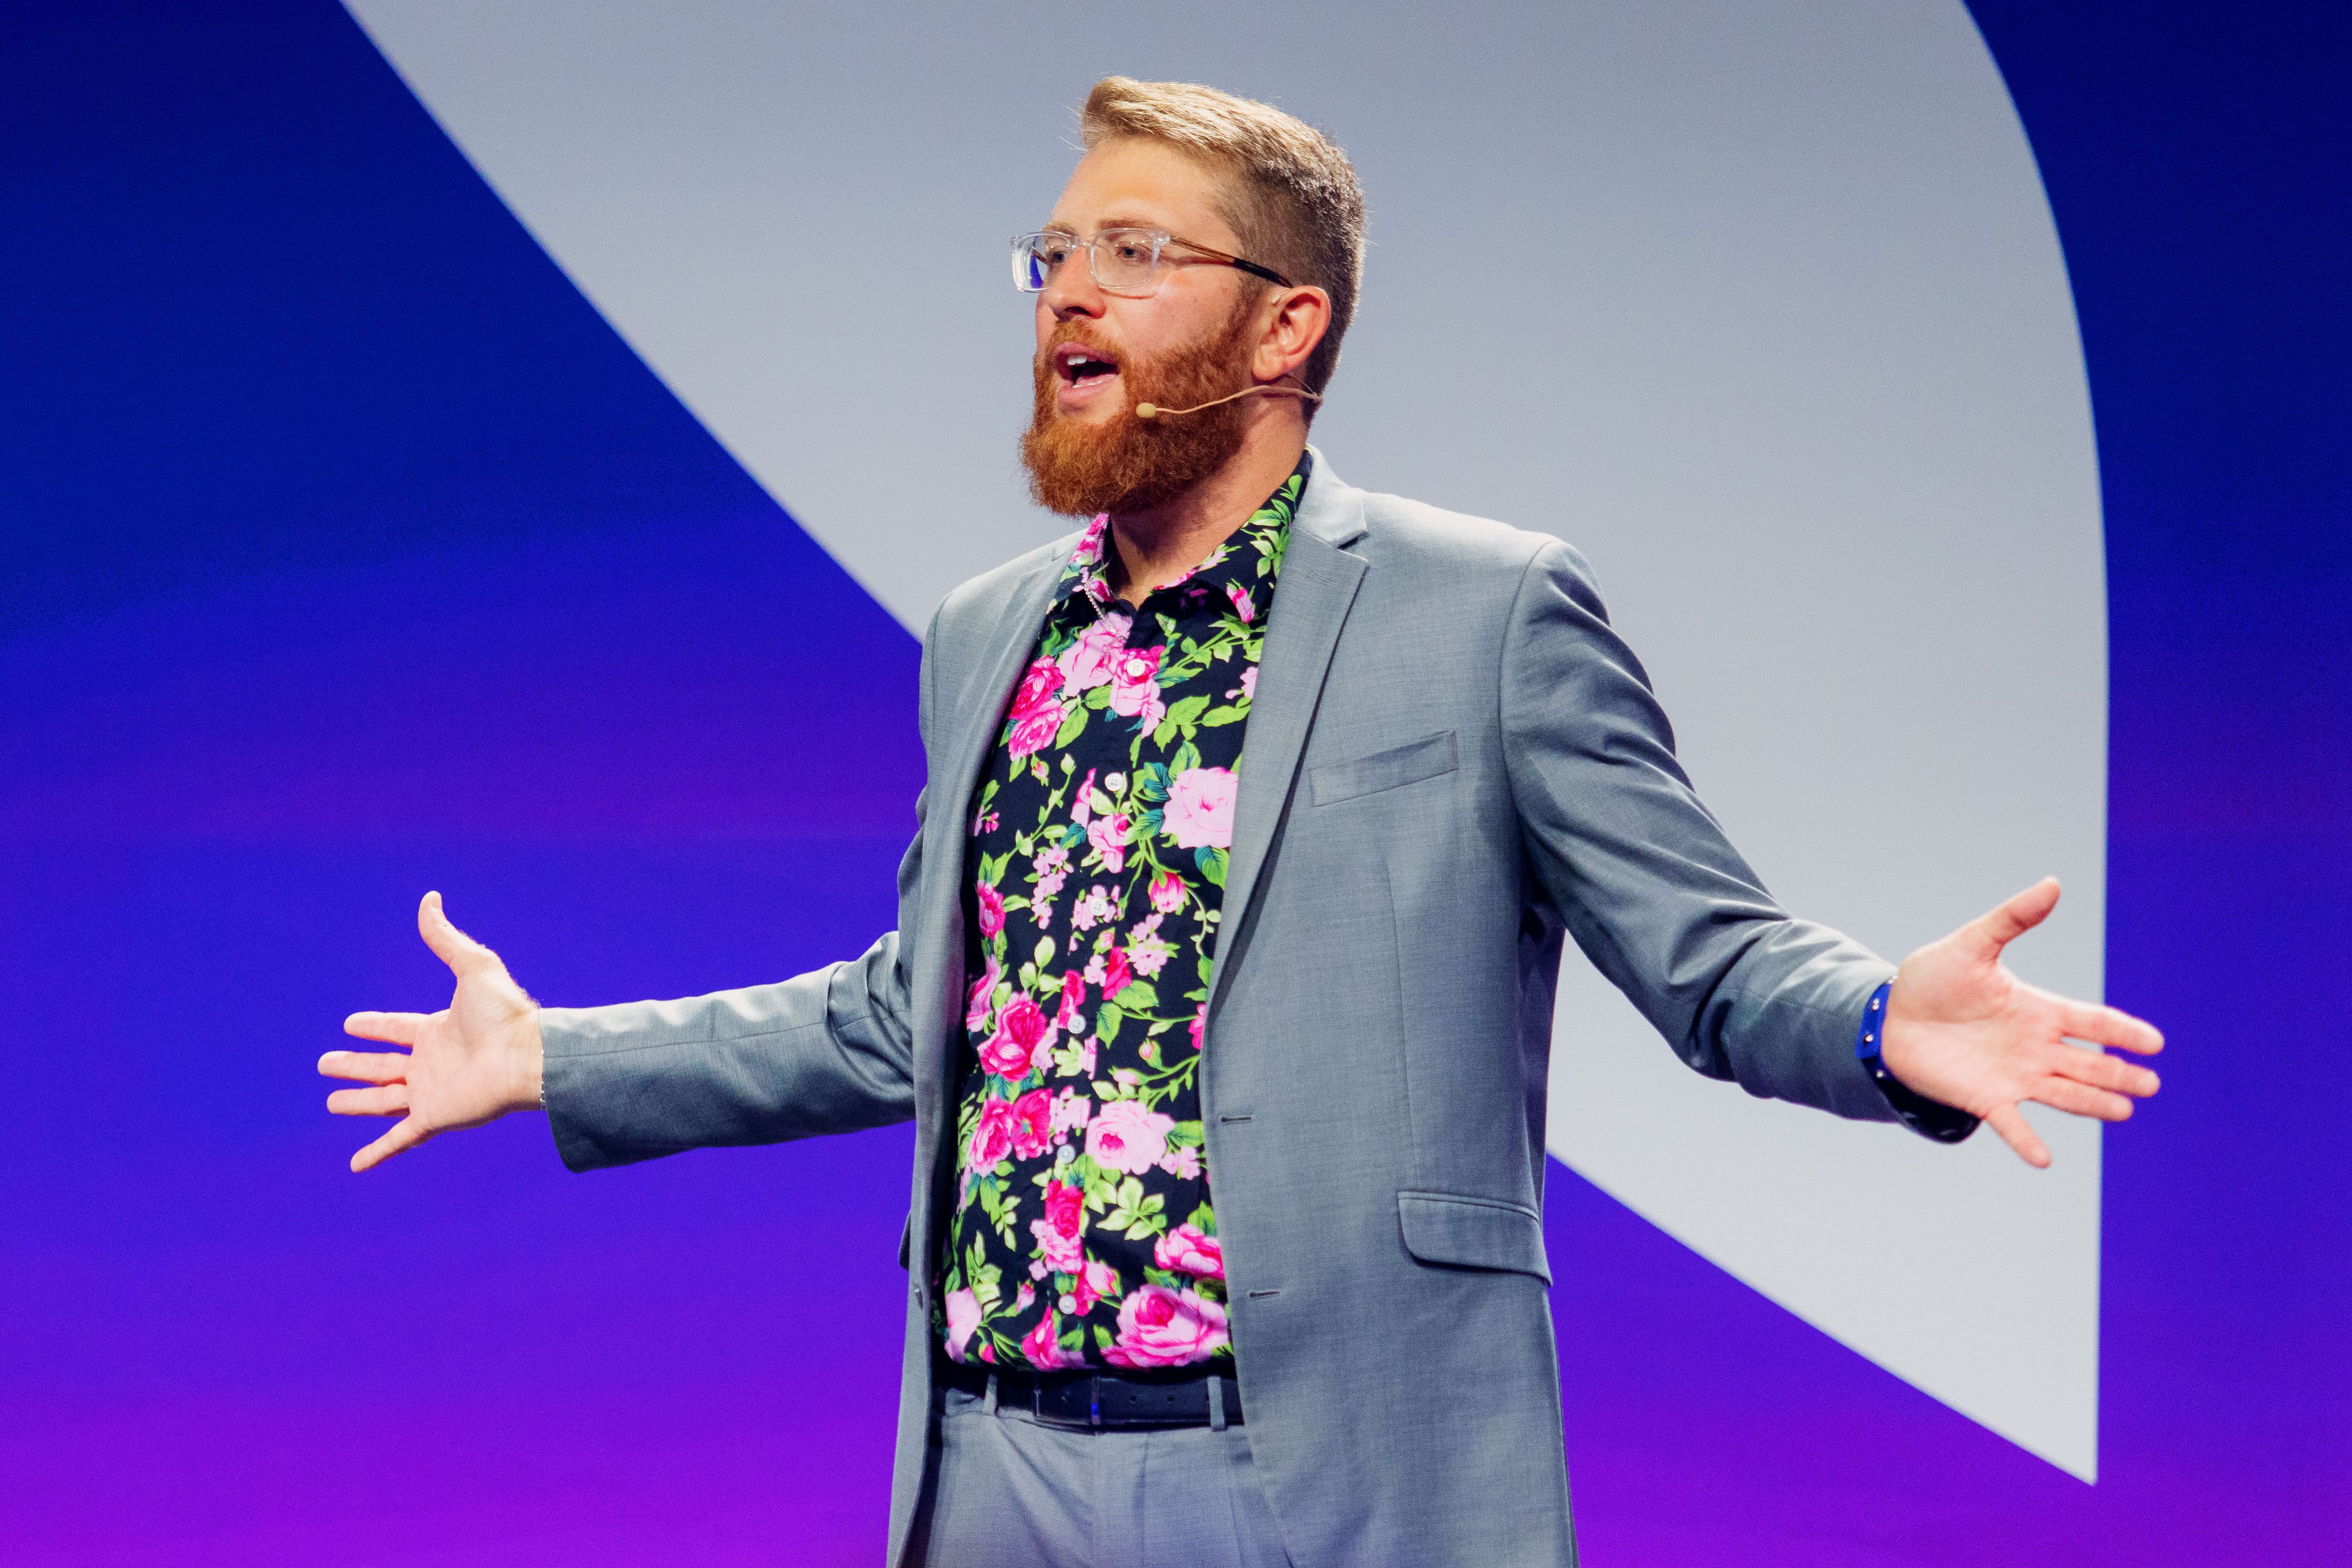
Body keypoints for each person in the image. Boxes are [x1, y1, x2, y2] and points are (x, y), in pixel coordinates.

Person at [319, 77, 2163, 1568]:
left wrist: (1877, 1029)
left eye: (1134, 249)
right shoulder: (992, 634)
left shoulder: (1485, 611)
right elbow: (917, 1012)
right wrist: (560, 1060)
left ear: (1289, 323)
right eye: (1050, 253)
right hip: (988, 1461)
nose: (1070, 292)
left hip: (1317, 1461)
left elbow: (1710, 961)